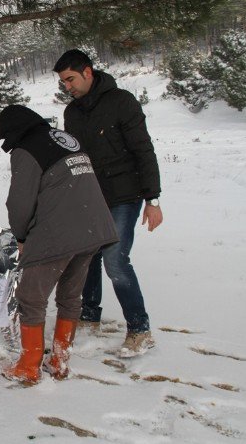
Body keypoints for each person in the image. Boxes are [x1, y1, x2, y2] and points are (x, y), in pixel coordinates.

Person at [0, 105, 118, 385]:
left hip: (60, 232)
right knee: (70, 296)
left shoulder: (26, 149)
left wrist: (22, 236)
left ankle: (28, 367)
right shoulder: (63, 138)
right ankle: (60, 361)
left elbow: (19, 202)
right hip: (92, 228)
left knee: (31, 297)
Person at [53, 49, 163, 357]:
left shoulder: (122, 102)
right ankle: (89, 315)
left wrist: (152, 198)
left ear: (88, 72)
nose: (67, 87)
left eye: (71, 79)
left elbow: (144, 149)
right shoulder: (72, 112)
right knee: (86, 257)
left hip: (125, 196)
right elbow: (74, 157)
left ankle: (140, 329)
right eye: (63, 82)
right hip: (90, 196)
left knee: (115, 260)